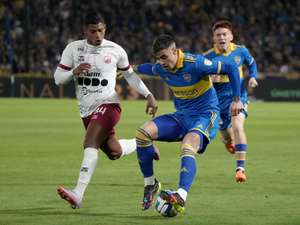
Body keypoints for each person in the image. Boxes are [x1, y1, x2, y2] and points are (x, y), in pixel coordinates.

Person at [53, 12, 158, 209]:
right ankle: (142, 144)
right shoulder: (73, 49)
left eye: (100, 30)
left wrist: (149, 95)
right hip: (86, 111)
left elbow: (130, 75)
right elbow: (58, 78)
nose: (97, 35)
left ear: (105, 29)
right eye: (93, 31)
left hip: (109, 105)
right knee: (114, 152)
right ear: (85, 31)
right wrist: (73, 72)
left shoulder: (116, 50)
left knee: (90, 142)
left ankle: (78, 193)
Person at [134, 34, 243, 214]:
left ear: (174, 51)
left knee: (188, 145)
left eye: (164, 57)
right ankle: (150, 184)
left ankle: (181, 195)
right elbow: (147, 68)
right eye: (158, 58)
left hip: (205, 114)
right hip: (182, 116)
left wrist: (236, 99)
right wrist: (129, 68)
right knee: (143, 133)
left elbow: (231, 67)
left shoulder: (196, 63)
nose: (161, 62)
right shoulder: (162, 68)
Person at [203, 20, 258, 182]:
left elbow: (252, 65)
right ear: (214, 38)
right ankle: (228, 142)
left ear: (231, 36)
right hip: (217, 101)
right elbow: (199, 77)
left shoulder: (241, 51)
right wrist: (210, 78)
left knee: (237, 125)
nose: (222, 37)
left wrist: (253, 77)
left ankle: (240, 169)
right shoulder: (207, 57)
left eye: (224, 34)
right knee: (226, 134)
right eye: (218, 35)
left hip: (238, 97)